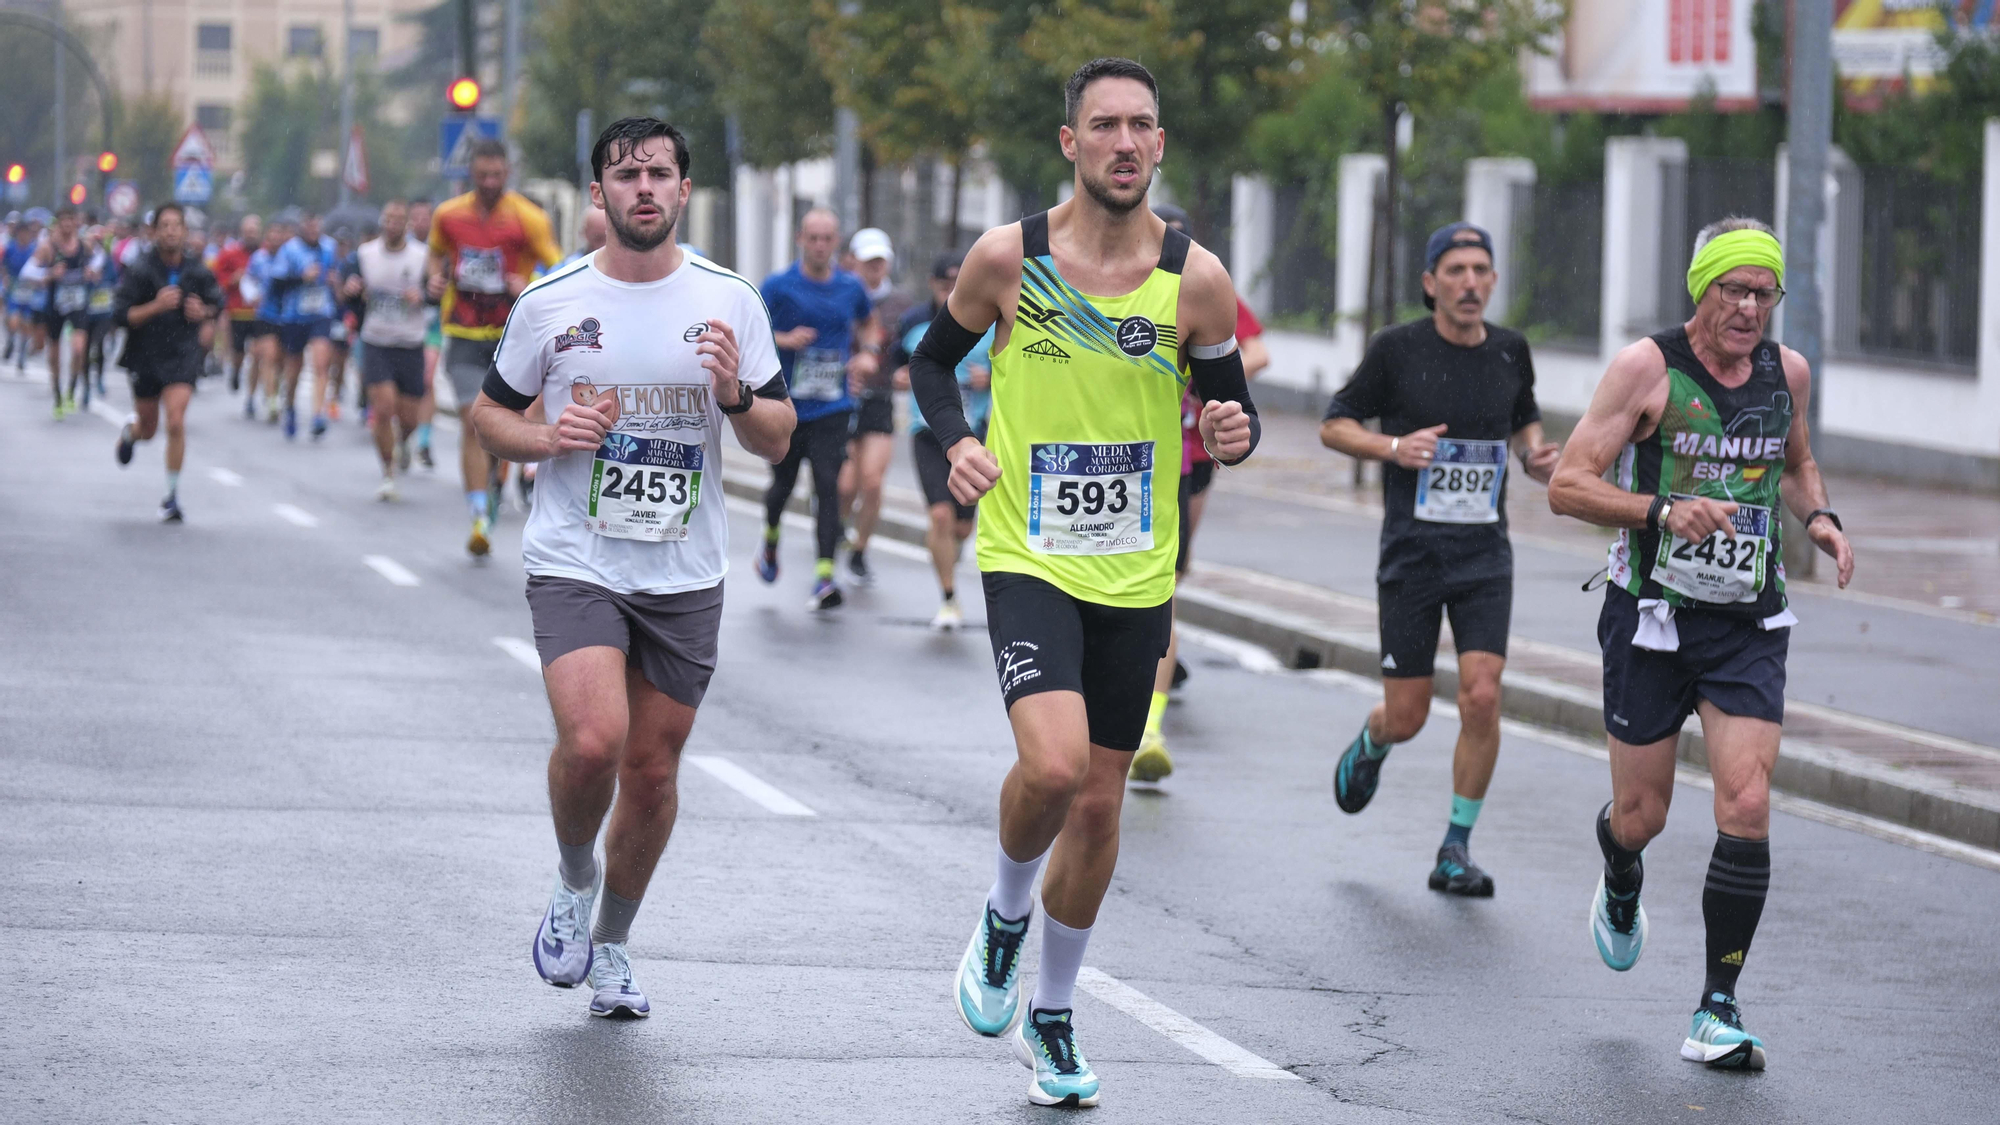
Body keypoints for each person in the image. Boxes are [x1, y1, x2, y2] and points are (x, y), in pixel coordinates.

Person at [914, 58, 1259, 1107]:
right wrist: (958, 441)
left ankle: (1053, 1019)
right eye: (1101, 124)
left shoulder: (1195, 281)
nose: (1122, 142)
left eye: (1140, 126)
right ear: (1068, 142)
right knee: (1055, 769)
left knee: (1102, 809)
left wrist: (1233, 435)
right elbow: (933, 365)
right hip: (1026, 552)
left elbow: (1226, 407)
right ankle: (1004, 912)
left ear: (1159, 145)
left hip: (1134, 570)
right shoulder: (1010, 259)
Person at [467, 116, 795, 1020]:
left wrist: (734, 394)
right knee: (594, 741)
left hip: (684, 570)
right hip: (577, 556)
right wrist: (545, 434)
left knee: (651, 772)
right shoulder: (551, 301)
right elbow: (487, 416)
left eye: (659, 174)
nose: (643, 188)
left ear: (684, 191)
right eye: (625, 174)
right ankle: (575, 880)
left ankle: (610, 943)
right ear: (599, 194)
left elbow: (776, 437)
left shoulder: (731, 300)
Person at [1548, 217, 1855, 1071]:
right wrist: (1659, 510)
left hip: (1747, 619)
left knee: (1747, 803)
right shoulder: (1648, 369)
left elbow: (1794, 463)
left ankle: (1716, 1005)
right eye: (1736, 290)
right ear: (1702, 289)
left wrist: (1820, 517)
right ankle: (1618, 869)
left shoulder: (1785, 372)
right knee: (1643, 815)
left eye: (1766, 293)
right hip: (1651, 617)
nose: (1752, 308)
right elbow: (1569, 483)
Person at [1316, 222, 1559, 896]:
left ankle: (1456, 844)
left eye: (1481, 269)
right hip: (1412, 556)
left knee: (1483, 694)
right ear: (1430, 283)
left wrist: (1536, 453)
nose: (1470, 282)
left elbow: (1524, 419)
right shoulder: (1397, 350)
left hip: (1485, 553)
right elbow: (1335, 423)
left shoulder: (1511, 352)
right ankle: (1375, 739)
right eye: (1455, 270)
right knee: (1410, 713)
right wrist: (1395, 449)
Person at [1129, 202, 1271, 782]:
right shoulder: (1115, 285)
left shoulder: (1201, 280)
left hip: (1191, 456)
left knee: (1169, 580)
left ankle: (1150, 721)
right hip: (1122, 458)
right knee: (1157, 583)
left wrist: (1208, 376)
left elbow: (1254, 350)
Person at [428, 140, 564, 556]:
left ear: (507, 174)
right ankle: (477, 512)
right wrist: (435, 279)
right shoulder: (448, 215)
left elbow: (556, 269)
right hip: (465, 332)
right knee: (473, 416)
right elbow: (435, 257)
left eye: (496, 175)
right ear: (470, 173)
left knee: (506, 423)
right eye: (482, 175)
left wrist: (530, 286)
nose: (489, 182)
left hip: (512, 335)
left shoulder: (528, 217)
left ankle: (494, 481)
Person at [755, 209, 878, 609]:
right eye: (814, 238)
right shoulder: (777, 286)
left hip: (833, 406)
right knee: (783, 488)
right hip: (786, 407)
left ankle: (824, 575)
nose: (821, 246)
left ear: (836, 242)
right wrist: (785, 339)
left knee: (829, 486)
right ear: (800, 239)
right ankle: (771, 538)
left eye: (828, 238)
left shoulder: (851, 287)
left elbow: (868, 324)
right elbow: (750, 330)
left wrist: (868, 355)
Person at [890, 250, 990, 630]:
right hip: (927, 434)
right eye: (945, 284)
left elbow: (1014, 368)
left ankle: (950, 549)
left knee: (963, 526)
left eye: (957, 283)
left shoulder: (987, 320)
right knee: (940, 514)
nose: (952, 291)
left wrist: (990, 379)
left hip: (975, 433)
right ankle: (949, 598)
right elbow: (897, 363)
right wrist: (899, 375)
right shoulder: (915, 323)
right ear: (933, 284)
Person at [112, 203, 222, 523]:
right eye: (165, 225)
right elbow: (122, 315)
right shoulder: (140, 269)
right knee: (149, 428)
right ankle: (130, 434)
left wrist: (203, 312)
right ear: (154, 232)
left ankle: (172, 497)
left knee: (176, 421)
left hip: (181, 353)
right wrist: (155, 307)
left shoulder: (197, 271)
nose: (171, 231)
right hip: (144, 353)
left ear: (185, 232)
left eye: (177, 225)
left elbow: (217, 304)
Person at [836, 227, 910, 586]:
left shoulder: (901, 304)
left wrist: (907, 371)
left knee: (873, 482)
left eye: (880, 261)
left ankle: (860, 550)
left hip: (880, 400)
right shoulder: (841, 295)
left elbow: (915, 348)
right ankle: (835, 530)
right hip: (843, 400)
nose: (874, 268)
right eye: (868, 261)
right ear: (854, 262)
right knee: (846, 485)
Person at [348, 201, 431, 500]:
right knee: (383, 409)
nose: (393, 224)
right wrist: (353, 290)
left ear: (407, 225)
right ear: (382, 222)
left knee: (409, 418)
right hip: (377, 341)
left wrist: (421, 295)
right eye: (388, 219)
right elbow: (347, 291)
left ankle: (403, 442)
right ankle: (387, 473)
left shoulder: (422, 256)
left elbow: (435, 293)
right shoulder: (365, 254)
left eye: (399, 220)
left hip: (410, 342)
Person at [265, 210, 339, 439]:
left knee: (321, 363)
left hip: (321, 313)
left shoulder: (330, 247)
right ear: (302, 228)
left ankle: (318, 415)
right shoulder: (290, 249)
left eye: (316, 227)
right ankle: (290, 406)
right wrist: (301, 278)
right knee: (294, 367)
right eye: (309, 227)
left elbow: (335, 275)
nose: (313, 232)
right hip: (294, 316)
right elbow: (276, 284)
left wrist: (334, 282)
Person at [35, 207, 97, 416]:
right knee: (54, 353)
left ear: (76, 223)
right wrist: (50, 274)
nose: (68, 224)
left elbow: (99, 263)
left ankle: (71, 388)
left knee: (79, 349)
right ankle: (57, 394)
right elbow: (29, 272)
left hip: (78, 303)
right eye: (64, 220)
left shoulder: (84, 246)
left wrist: (91, 273)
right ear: (58, 223)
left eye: (71, 220)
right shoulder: (48, 247)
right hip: (55, 305)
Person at [244, 219, 289, 421]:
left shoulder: (289, 259)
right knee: (265, 357)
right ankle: (266, 399)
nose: (275, 242)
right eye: (271, 238)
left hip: (287, 316)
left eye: (279, 239)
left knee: (279, 361)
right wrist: (252, 296)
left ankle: (271, 391)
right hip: (265, 315)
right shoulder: (258, 258)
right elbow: (248, 280)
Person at [407, 198, 440, 470]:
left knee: (428, 379)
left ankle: (425, 442)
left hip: (432, 325)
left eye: (425, 216)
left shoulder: (440, 248)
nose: (420, 222)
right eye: (415, 216)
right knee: (407, 387)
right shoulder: (401, 248)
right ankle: (404, 436)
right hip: (403, 326)